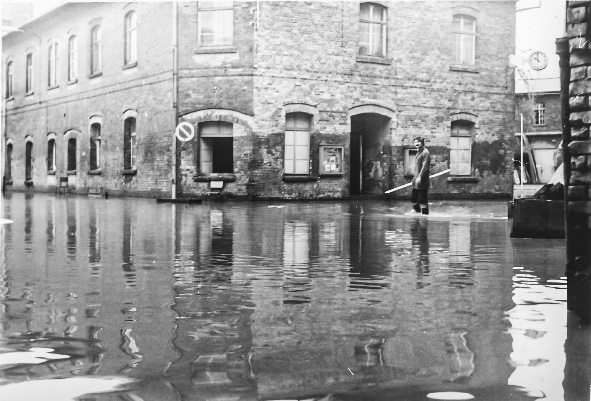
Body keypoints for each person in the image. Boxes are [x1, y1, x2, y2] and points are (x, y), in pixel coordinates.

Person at [411, 136, 430, 215]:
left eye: (418, 142)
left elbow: (424, 166)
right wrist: (415, 177)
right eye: (415, 142)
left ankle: (425, 215)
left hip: (422, 180)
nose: (417, 143)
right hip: (416, 179)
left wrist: (420, 177)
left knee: (422, 199)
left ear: (422, 143)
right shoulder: (418, 151)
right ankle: (417, 211)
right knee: (413, 198)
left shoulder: (426, 152)